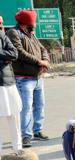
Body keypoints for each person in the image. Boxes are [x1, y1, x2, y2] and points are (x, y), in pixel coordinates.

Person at [6, 10, 50, 148]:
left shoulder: (31, 33)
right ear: (26, 22)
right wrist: (39, 62)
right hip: (23, 78)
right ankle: (26, 135)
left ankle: (37, 130)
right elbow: (19, 52)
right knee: (25, 108)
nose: (34, 24)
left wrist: (45, 61)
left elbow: (43, 49)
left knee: (39, 105)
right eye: (32, 22)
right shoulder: (14, 33)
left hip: (37, 77)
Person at [0, 16, 22, 152]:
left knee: (14, 116)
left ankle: (18, 149)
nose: (1, 25)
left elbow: (14, 54)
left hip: (9, 82)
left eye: (1, 22)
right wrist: (5, 57)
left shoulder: (3, 36)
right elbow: (9, 55)